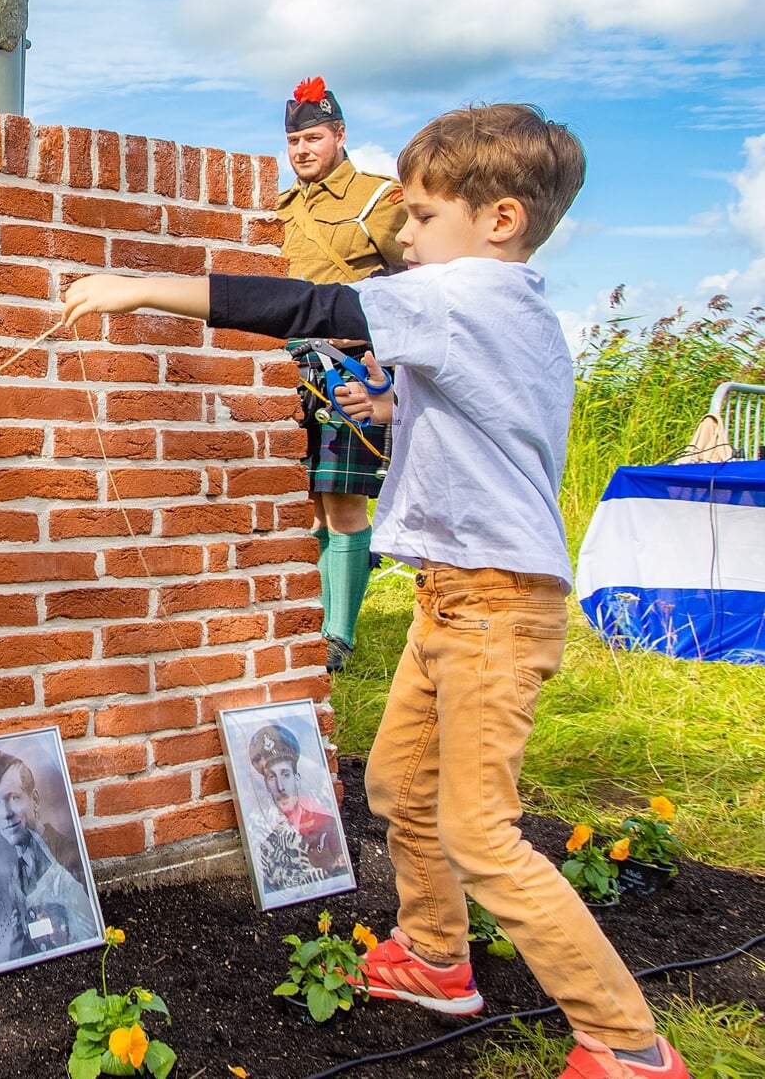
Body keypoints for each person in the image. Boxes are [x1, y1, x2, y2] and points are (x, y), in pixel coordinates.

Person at [63, 104, 691, 1079]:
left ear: (500, 220)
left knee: (481, 830)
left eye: (423, 216)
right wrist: (392, 406)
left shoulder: (464, 291)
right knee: (400, 786)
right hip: (453, 596)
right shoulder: (514, 307)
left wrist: (137, 285)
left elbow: (314, 309)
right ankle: (436, 957)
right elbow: (489, 417)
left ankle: (629, 1042)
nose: (401, 236)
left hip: (495, 601)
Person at [275, 77, 407, 673]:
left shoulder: (378, 200)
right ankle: (311, 620)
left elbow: (416, 278)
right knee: (307, 501)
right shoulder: (279, 209)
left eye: (314, 137)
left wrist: (392, 370)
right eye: (294, 140)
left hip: (349, 366)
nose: (303, 149)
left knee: (344, 503)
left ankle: (339, 634)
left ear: (339, 135)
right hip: (289, 366)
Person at [0, 749, 99, 959]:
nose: (5, 813)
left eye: (14, 798)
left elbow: (87, 934)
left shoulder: (68, 857)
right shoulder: (16, 875)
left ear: (35, 800)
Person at [245, 723, 345, 888]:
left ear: (296, 779)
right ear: (267, 785)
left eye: (285, 774)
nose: (281, 787)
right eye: (272, 777)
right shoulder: (263, 836)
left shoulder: (325, 825)